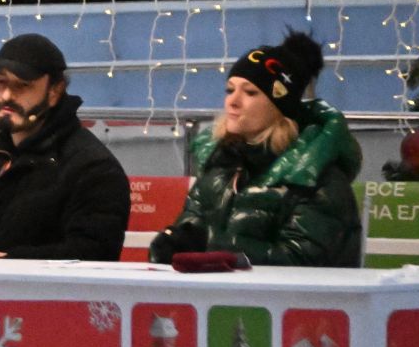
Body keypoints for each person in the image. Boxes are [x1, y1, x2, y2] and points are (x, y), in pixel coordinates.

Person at [149, 32, 362, 267]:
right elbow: (189, 233)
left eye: (250, 92)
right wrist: (168, 248)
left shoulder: (316, 176)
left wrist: (213, 245)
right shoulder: (219, 165)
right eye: (230, 90)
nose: (233, 101)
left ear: (280, 106)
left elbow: (301, 262)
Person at [0, 34, 130, 261]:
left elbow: (93, 256)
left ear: (54, 92)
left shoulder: (92, 169)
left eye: (23, 85)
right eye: (2, 82)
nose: (7, 95)